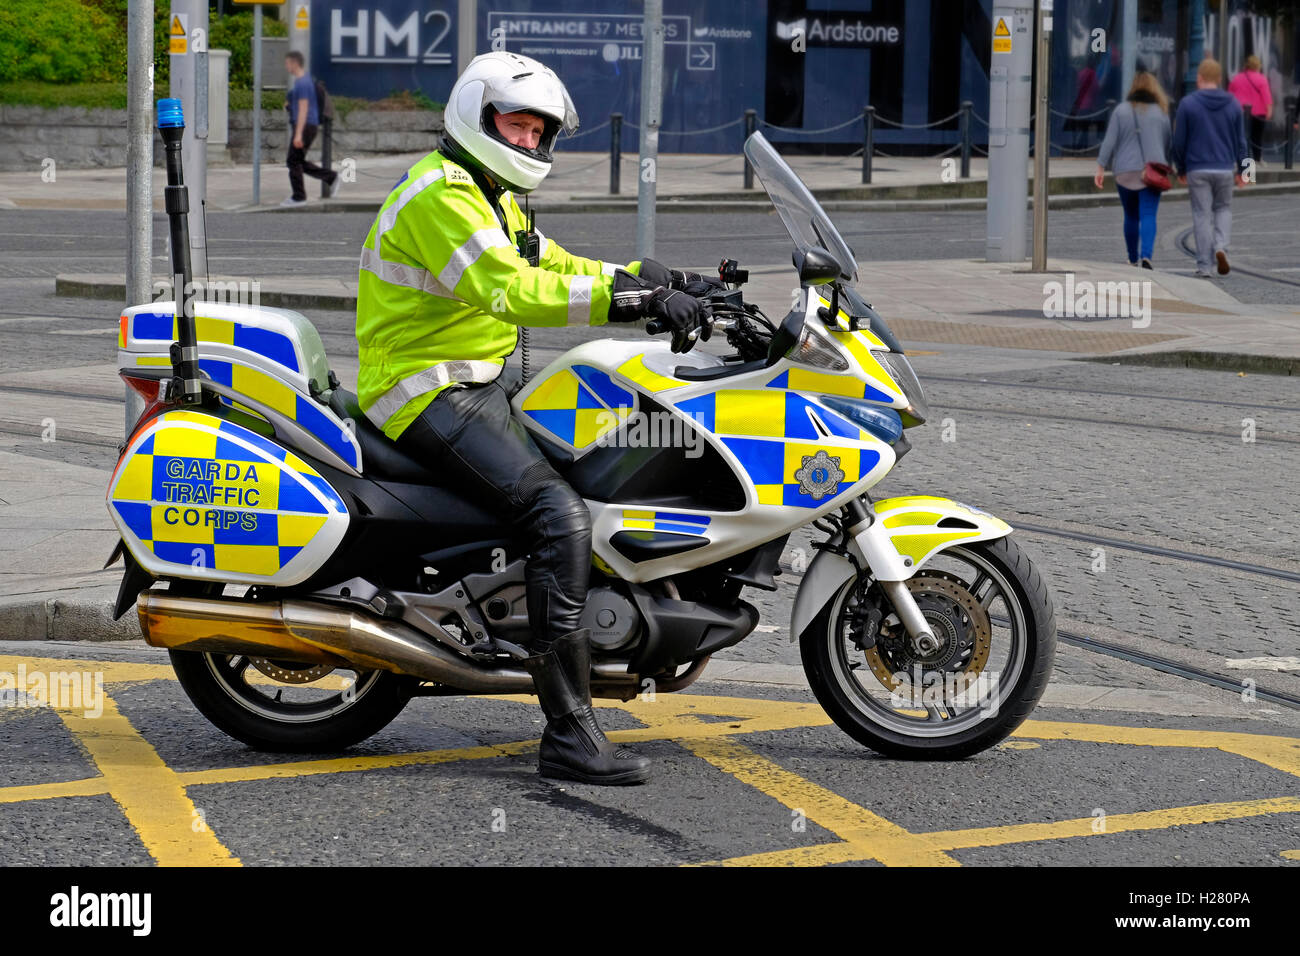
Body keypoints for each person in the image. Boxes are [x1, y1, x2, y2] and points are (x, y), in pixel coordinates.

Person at [353, 51, 712, 786]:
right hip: (425, 390)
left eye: (538, 131)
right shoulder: (441, 196)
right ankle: (569, 730)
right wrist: (635, 306)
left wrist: (655, 279)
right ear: (476, 116)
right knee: (558, 514)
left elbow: (554, 264)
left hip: (475, 384)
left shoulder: (493, 194)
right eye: (516, 124)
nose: (527, 141)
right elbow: (511, 290)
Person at [1171, 58, 1250, 277]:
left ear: (1200, 78)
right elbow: (1242, 141)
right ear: (1219, 79)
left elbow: (1178, 142)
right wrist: (1245, 172)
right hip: (1225, 168)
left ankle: (1204, 266)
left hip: (1197, 168)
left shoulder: (1188, 104)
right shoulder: (1233, 104)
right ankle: (1221, 247)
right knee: (1223, 209)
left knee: (1201, 214)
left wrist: (1181, 169)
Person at [1094, 71, 1173, 269]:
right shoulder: (1161, 112)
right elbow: (1168, 142)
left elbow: (1109, 141)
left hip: (1124, 172)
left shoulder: (1121, 111)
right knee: (1148, 215)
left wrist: (1101, 166)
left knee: (1130, 216)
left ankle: (1132, 258)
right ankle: (1147, 255)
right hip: (1152, 173)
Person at [281, 51, 340, 207]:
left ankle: (299, 197)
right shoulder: (303, 82)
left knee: (293, 161)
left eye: (287, 63)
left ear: (295, 63)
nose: (286, 66)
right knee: (297, 160)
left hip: (305, 126)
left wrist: (298, 134)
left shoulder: (302, 82)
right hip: (308, 125)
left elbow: (304, 108)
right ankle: (331, 177)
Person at [1227, 54, 1273, 163]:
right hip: (1259, 112)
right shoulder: (1261, 79)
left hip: (1240, 111)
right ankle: (1257, 158)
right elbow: (1266, 96)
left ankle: (1240, 158)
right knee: (1257, 136)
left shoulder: (1237, 78)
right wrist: (1269, 110)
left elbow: (1230, 94)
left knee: (1240, 135)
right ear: (1258, 66)